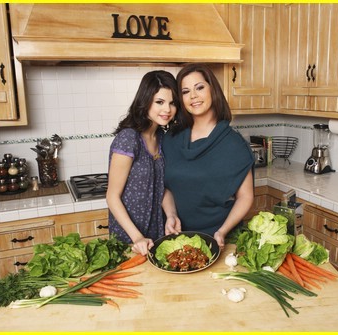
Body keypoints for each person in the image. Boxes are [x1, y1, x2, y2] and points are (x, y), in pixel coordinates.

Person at [162, 63, 255, 249]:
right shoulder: (170, 139)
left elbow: (245, 197)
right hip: (179, 238)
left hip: (222, 239)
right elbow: (167, 187)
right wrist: (171, 215)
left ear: (213, 89)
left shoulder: (234, 144)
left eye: (200, 88)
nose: (193, 96)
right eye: (186, 91)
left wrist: (222, 231)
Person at [106, 70, 179, 256]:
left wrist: (171, 215)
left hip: (156, 234)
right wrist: (136, 237)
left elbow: (162, 186)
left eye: (172, 103)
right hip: (129, 238)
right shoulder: (129, 139)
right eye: (160, 102)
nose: (167, 110)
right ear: (145, 101)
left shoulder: (162, 137)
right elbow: (112, 197)